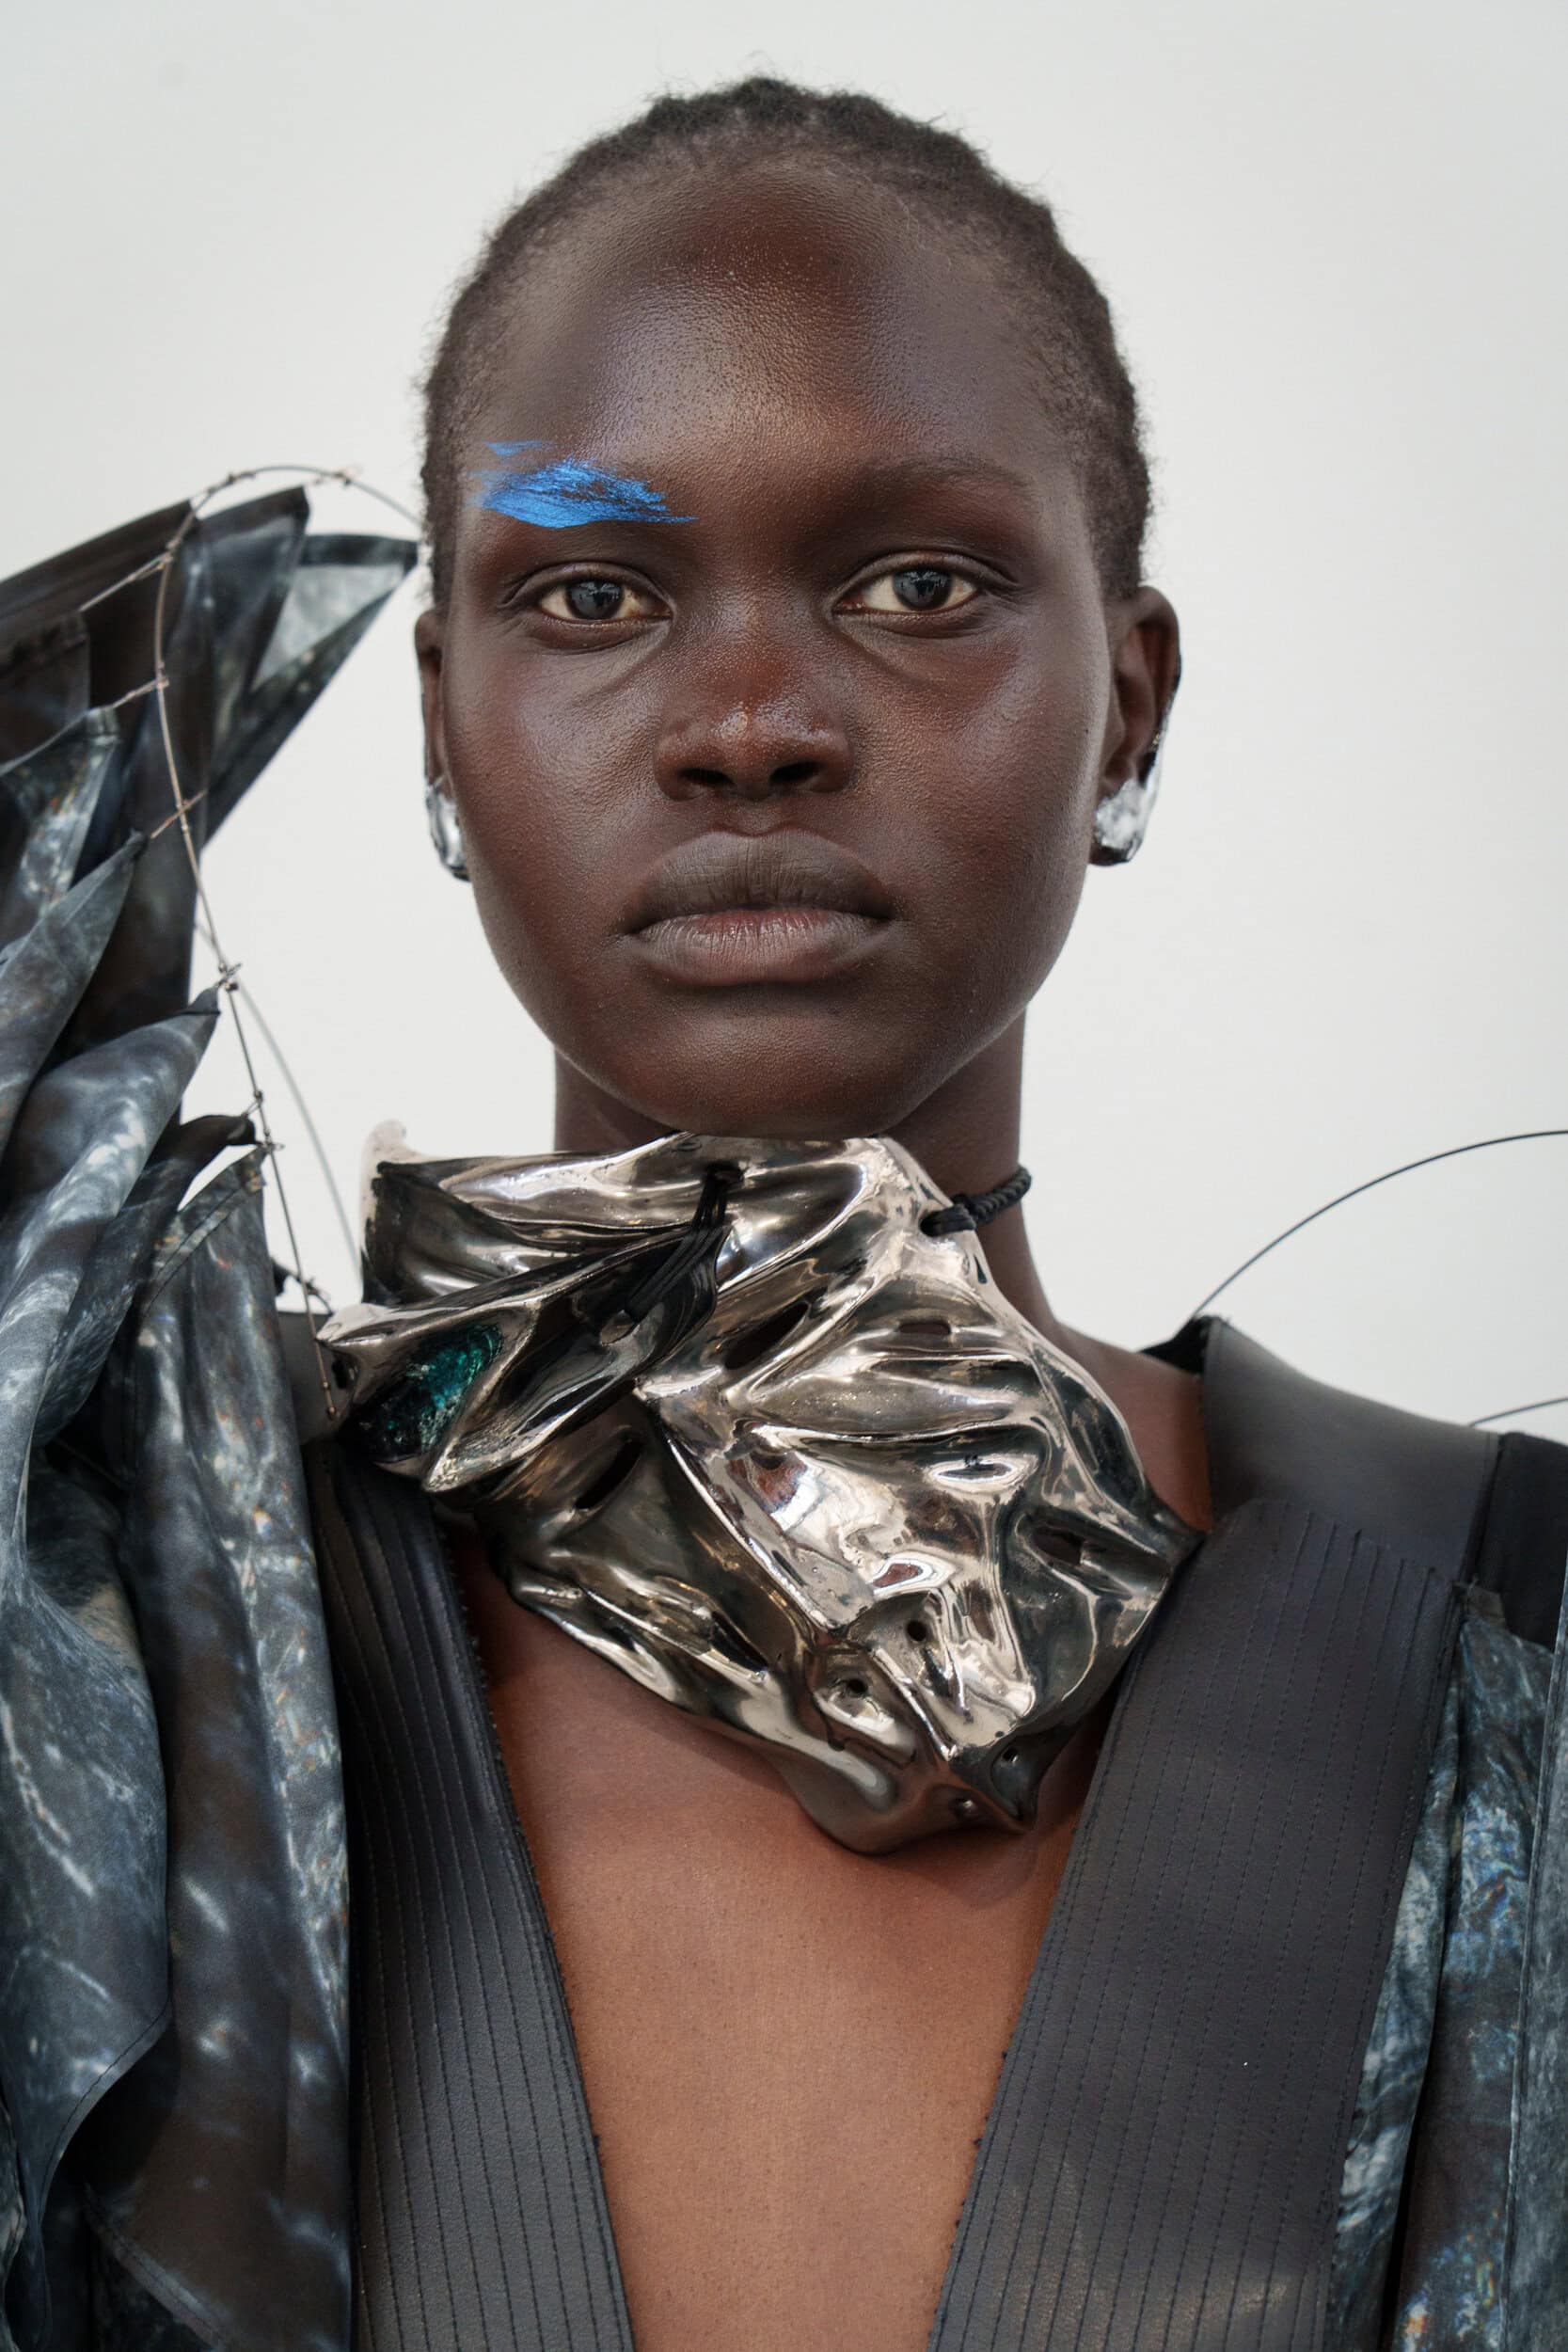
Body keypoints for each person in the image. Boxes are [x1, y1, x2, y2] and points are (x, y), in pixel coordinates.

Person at [3, 73, 1565, 2352]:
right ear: (438, 719)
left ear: (1128, 706)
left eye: (918, 585)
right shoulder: (105, 1642)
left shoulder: (1512, 1634)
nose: (748, 721)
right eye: (592, 593)